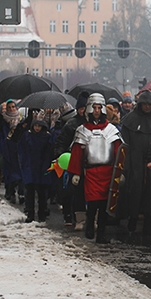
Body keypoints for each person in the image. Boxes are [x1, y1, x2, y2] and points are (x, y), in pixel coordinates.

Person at [68, 94, 122, 244]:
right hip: (91, 172)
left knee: (105, 206)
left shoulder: (111, 130)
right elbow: (77, 153)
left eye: (99, 108)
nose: (97, 111)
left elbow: (119, 154)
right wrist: (76, 173)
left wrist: (120, 173)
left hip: (108, 172)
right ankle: (90, 225)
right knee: (92, 204)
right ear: (89, 109)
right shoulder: (82, 130)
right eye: (94, 108)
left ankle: (102, 234)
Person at [119, 90, 151, 234]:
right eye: (145, 104)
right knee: (134, 190)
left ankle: (149, 222)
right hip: (134, 160)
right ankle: (132, 219)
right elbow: (124, 143)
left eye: (150, 104)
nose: (147, 107)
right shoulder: (131, 119)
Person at [55, 92, 89, 228]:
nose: (83, 111)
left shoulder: (93, 124)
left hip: (89, 162)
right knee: (73, 191)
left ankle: (89, 218)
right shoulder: (71, 125)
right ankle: (73, 216)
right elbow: (61, 142)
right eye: (81, 108)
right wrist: (60, 155)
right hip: (73, 162)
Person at [13, 117, 57, 222]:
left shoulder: (47, 137)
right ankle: (30, 213)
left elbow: (50, 152)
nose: (37, 128)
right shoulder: (27, 136)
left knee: (42, 193)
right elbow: (21, 149)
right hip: (30, 166)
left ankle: (42, 213)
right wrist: (24, 162)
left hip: (42, 166)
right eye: (36, 125)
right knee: (30, 192)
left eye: (39, 126)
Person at [1, 99, 24, 204]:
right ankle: (10, 191)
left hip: (18, 147)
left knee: (21, 171)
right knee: (9, 171)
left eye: (13, 107)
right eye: (9, 107)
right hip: (7, 148)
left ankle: (21, 192)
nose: (11, 109)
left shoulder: (21, 119)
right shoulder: (3, 120)